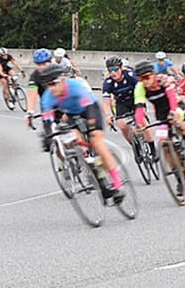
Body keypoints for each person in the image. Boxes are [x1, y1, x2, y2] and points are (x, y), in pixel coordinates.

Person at [39, 64, 126, 203]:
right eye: (47, 86)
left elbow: (90, 109)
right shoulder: (48, 97)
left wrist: (91, 127)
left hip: (89, 109)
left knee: (96, 143)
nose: (51, 89)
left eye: (53, 84)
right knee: (71, 138)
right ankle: (88, 163)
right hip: (72, 114)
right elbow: (47, 121)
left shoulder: (75, 87)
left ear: (62, 80)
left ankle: (117, 184)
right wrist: (47, 136)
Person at [133, 60, 185, 168]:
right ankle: (177, 174)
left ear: (154, 74)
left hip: (175, 104)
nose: (144, 82)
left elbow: (172, 97)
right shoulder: (140, 88)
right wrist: (139, 124)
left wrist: (173, 112)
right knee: (164, 144)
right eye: (140, 79)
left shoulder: (163, 80)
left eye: (147, 77)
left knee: (177, 120)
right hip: (161, 112)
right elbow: (139, 107)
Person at [101, 56, 157, 162]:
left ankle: (153, 149)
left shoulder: (131, 75)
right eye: (110, 70)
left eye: (115, 69)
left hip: (136, 98)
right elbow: (106, 101)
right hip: (122, 102)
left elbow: (141, 90)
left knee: (142, 121)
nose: (113, 73)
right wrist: (108, 115)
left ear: (121, 68)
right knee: (122, 124)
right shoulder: (108, 83)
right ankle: (135, 146)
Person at [25, 48, 53, 126]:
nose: (41, 67)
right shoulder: (35, 76)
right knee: (49, 130)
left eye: (44, 64)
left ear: (51, 62)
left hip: (64, 103)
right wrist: (30, 112)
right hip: (47, 105)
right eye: (38, 65)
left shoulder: (59, 70)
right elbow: (32, 95)